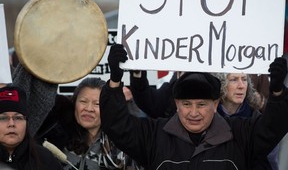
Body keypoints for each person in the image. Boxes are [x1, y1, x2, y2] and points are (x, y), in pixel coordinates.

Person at [99, 44, 288, 170]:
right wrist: (115, 81)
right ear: (176, 104)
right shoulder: (154, 135)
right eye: (187, 104)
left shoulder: (240, 134)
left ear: (215, 104)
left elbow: (273, 126)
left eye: (202, 104)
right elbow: (117, 125)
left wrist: (278, 92)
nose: (194, 113)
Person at [36, 77, 142, 170]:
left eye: (97, 104)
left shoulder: (121, 145)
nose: (89, 109)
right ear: (74, 103)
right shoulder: (53, 137)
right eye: (83, 101)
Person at [214, 72, 279, 169]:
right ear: (220, 83)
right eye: (234, 79)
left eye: (244, 79)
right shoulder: (207, 119)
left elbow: (270, 163)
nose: (241, 86)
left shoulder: (257, 122)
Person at [0, 86, 63, 170]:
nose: (11, 124)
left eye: (18, 118)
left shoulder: (45, 160)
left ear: (26, 122)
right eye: (3, 118)